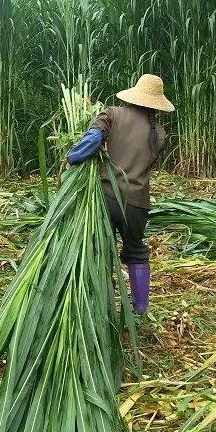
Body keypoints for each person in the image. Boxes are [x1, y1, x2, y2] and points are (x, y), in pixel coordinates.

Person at [66, 74, 174, 314]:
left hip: (107, 196)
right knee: (136, 251)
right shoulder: (159, 133)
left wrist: (72, 158)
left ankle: (103, 306)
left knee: (103, 250)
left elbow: (92, 140)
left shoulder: (112, 114)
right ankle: (140, 309)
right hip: (137, 203)